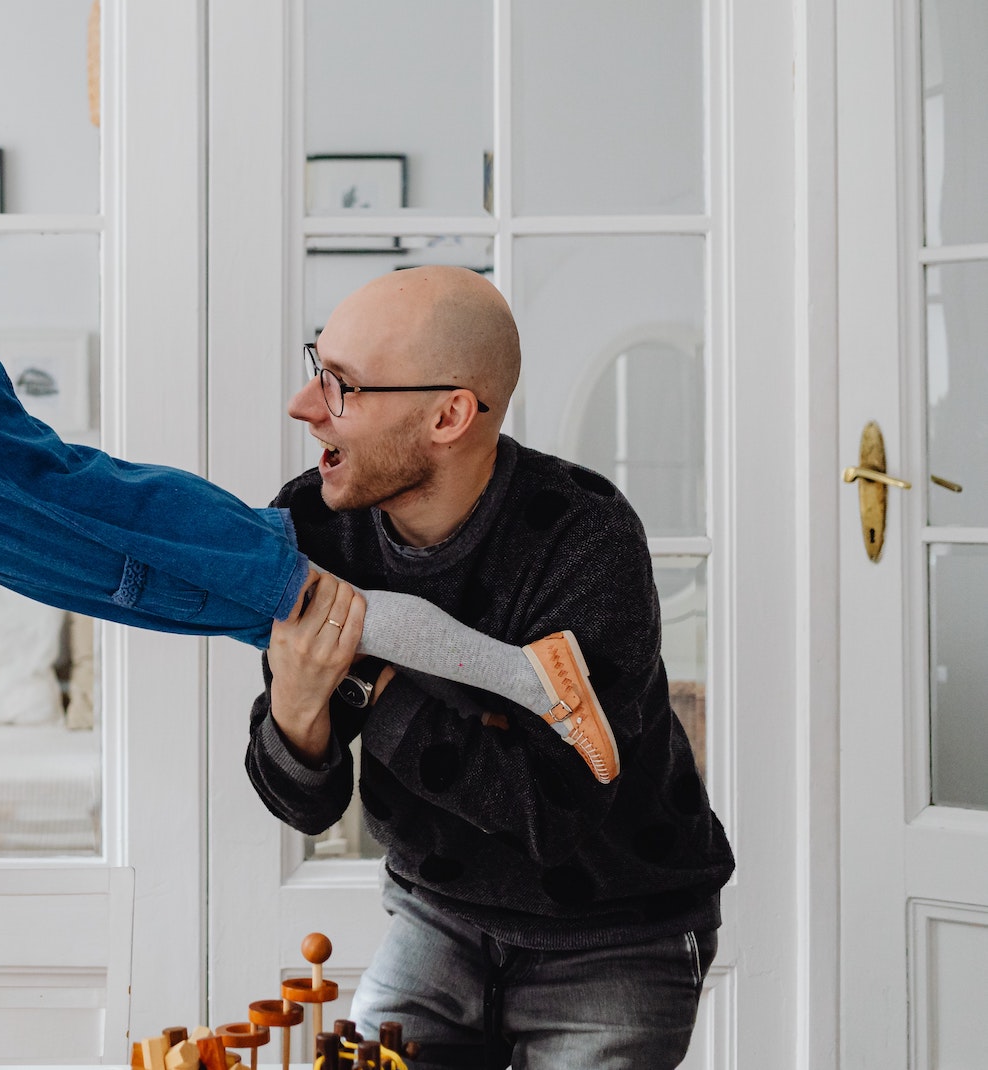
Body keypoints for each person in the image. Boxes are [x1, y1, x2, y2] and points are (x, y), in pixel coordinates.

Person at [0, 162, 618, 778]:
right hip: (112, 568)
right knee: (314, 637)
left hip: (135, 531)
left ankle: (533, 678)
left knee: (333, 609)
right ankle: (471, 700)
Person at [245, 266, 735, 1068]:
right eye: (316, 368)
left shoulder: (584, 537)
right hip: (435, 912)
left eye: (343, 387)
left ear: (449, 415)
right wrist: (300, 709)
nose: (305, 407)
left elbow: (553, 809)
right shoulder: (316, 519)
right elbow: (304, 802)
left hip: (616, 934)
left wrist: (368, 684)